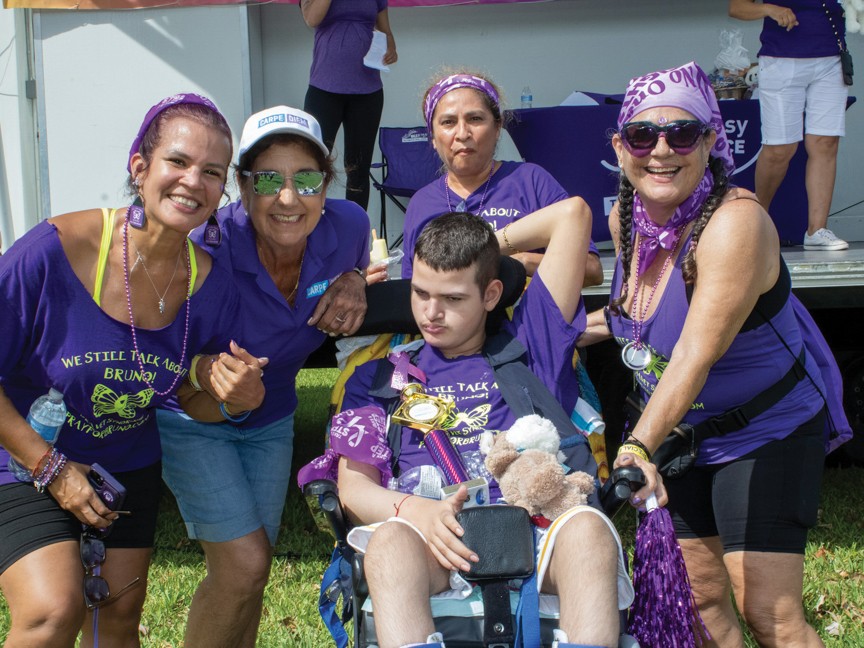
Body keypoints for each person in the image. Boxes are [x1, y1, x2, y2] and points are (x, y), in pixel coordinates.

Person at [581, 61, 850, 648]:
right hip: (679, 433)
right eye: (641, 136)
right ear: (619, 146)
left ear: (709, 141)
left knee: (769, 615)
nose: (660, 151)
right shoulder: (627, 217)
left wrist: (634, 446)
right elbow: (635, 314)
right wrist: (550, 332)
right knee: (700, 602)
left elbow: (695, 353)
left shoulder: (735, 224)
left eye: (681, 134)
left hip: (763, 430)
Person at [331, 207, 663, 648]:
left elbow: (574, 215)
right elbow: (353, 491)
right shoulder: (376, 379)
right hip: (428, 531)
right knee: (389, 543)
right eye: (420, 293)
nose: (431, 313)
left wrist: (487, 246)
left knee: (589, 531)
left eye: (453, 298)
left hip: (538, 525)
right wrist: (416, 512)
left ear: (491, 294)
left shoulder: (532, 344)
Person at [0, 93, 264, 647]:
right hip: (24, 457)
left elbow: (188, 401)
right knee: (53, 611)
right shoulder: (52, 251)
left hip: (124, 469)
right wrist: (52, 469)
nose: (194, 181)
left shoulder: (212, 285)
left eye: (212, 172)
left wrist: (230, 397)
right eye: (178, 162)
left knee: (116, 621)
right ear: (139, 167)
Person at [156, 105, 370, 648]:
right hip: (191, 419)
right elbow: (150, 347)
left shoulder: (347, 225)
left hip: (272, 419)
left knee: (249, 572)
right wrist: (207, 371)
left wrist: (353, 280)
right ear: (243, 188)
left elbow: (357, 255)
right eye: (269, 179)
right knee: (244, 563)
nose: (289, 198)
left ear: (327, 185)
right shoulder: (206, 248)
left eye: (307, 179)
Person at [400, 71, 603, 286]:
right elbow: (412, 291)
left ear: (497, 128)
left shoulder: (531, 181)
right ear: (432, 137)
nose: (462, 133)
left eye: (475, 119)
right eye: (448, 122)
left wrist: (521, 262)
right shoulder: (421, 203)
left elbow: (592, 270)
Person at [729, 0, 850, 250]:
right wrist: (769, 9)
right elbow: (737, 7)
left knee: (826, 142)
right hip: (781, 59)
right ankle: (758, 221)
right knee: (779, 149)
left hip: (832, 58)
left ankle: (817, 230)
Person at [301, 0, 397, 211]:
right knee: (312, 164)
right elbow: (311, 18)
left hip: (368, 92)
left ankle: (357, 234)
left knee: (358, 170)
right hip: (324, 90)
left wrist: (390, 48)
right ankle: (308, 229)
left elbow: (386, 32)